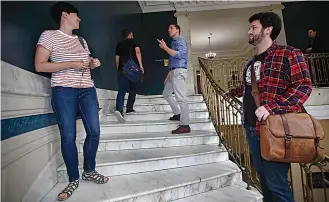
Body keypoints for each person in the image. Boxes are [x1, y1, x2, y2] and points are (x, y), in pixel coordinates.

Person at [229, 12, 312, 202]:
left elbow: (303, 86)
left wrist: (271, 107)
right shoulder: (250, 63)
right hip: (251, 127)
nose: (249, 31)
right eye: (250, 28)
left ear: (268, 30)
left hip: (274, 129)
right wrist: (233, 92)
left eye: (254, 27)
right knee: (265, 184)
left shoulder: (289, 54)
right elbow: (249, 87)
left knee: (277, 185)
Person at [34, 2, 108, 201]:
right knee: (68, 136)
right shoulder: (49, 35)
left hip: (87, 90)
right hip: (63, 91)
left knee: (94, 132)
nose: (80, 19)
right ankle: (73, 178)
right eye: (77, 16)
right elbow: (40, 65)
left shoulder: (82, 41)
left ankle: (89, 170)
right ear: (65, 15)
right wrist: (72, 64)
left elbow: (86, 63)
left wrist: (93, 63)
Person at [158, 24, 190, 134]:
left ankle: (185, 124)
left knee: (181, 98)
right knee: (166, 93)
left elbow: (180, 55)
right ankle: (177, 114)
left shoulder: (180, 40)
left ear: (178, 30)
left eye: (171, 28)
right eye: (168, 28)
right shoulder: (174, 42)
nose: (169, 30)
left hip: (179, 71)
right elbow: (173, 59)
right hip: (173, 72)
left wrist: (165, 48)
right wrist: (169, 74)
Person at [114, 29, 144, 123]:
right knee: (133, 88)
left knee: (122, 90)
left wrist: (118, 68)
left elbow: (117, 58)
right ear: (130, 34)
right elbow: (138, 52)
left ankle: (119, 109)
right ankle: (129, 108)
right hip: (132, 69)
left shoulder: (119, 44)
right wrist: (141, 66)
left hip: (122, 69)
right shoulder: (133, 42)